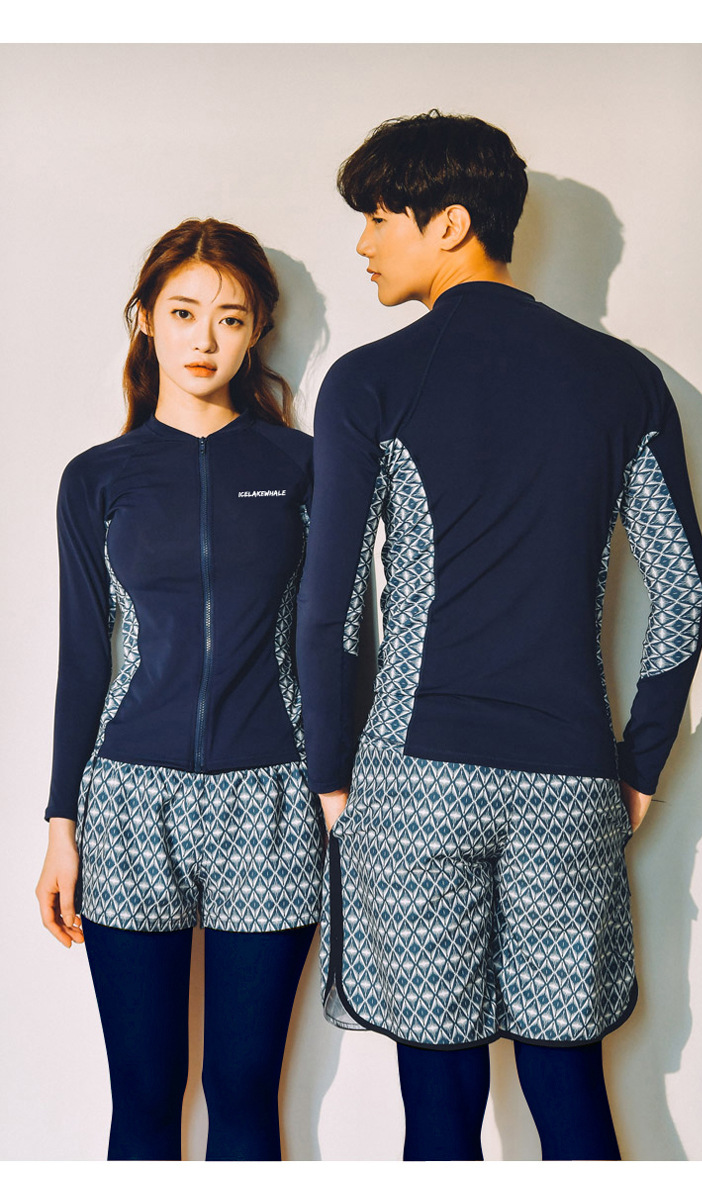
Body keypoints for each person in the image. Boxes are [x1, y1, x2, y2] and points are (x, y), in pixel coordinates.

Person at [296, 112, 702, 1161]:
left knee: (439, 1113)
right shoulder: (622, 378)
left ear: (448, 223)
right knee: (571, 1092)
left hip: (413, 782)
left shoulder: (370, 380)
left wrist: (331, 774)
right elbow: (685, 592)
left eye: (379, 218)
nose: (363, 243)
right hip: (571, 782)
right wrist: (640, 764)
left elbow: (330, 606)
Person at [35, 218, 324, 1161]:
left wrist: (337, 794)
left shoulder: (301, 466)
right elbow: (84, 658)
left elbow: (337, 643)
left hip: (271, 801)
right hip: (128, 803)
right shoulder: (98, 479)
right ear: (147, 320)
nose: (205, 338)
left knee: (243, 1093)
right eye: (184, 312)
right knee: (146, 1097)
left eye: (230, 318)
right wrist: (60, 825)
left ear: (257, 331)